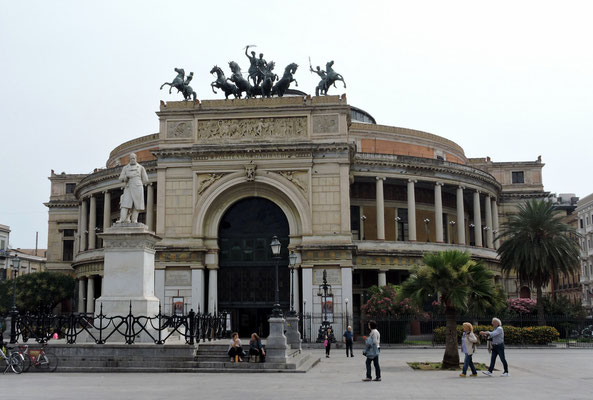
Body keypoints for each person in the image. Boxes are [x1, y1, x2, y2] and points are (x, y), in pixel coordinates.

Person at [117, 153, 149, 224]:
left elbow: (146, 179)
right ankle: (122, 219)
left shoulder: (140, 168)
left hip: (138, 186)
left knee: (136, 205)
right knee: (125, 204)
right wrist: (126, 177)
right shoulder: (125, 168)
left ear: (136, 159)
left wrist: (138, 180)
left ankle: (134, 220)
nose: (132, 160)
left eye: (133, 158)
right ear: (129, 159)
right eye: (131, 158)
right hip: (129, 187)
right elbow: (120, 178)